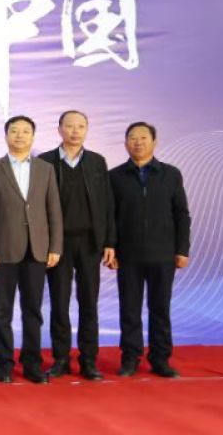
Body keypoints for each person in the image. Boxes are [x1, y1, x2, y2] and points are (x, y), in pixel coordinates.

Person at [0, 116, 63, 384]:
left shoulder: (45, 169)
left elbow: (54, 211)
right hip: (3, 251)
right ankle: (4, 364)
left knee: (33, 311)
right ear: (6, 136)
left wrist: (55, 246)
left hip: (37, 250)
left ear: (33, 137)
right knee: (2, 311)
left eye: (25, 131)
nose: (19, 135)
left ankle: (32, 364)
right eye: (14, 131)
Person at [37, 110, 115, 381]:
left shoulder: (97, 162)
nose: (75, 131)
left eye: (81, 126)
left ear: (87, 129)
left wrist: (109, 242)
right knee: (59, 303)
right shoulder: (45, 161)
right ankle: (60, 359)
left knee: (89, 303)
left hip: (90, 243)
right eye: (69, 126)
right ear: (59, 129)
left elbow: (108, 205)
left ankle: (88, 360)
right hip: (58, 244)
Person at [110, 122, 191, 378]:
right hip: (128, 255)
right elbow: (109, 217)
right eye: (132, 138)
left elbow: (181, 214)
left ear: (154, 142)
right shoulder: (115, 176)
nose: (138, 142)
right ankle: (130, 358)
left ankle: (160, 359)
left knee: (160, 309)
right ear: (125, 144)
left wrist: (182, 249)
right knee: (129, 309)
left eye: (143, 137)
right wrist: (111, 248)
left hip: (163, 254)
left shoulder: (171, 174)